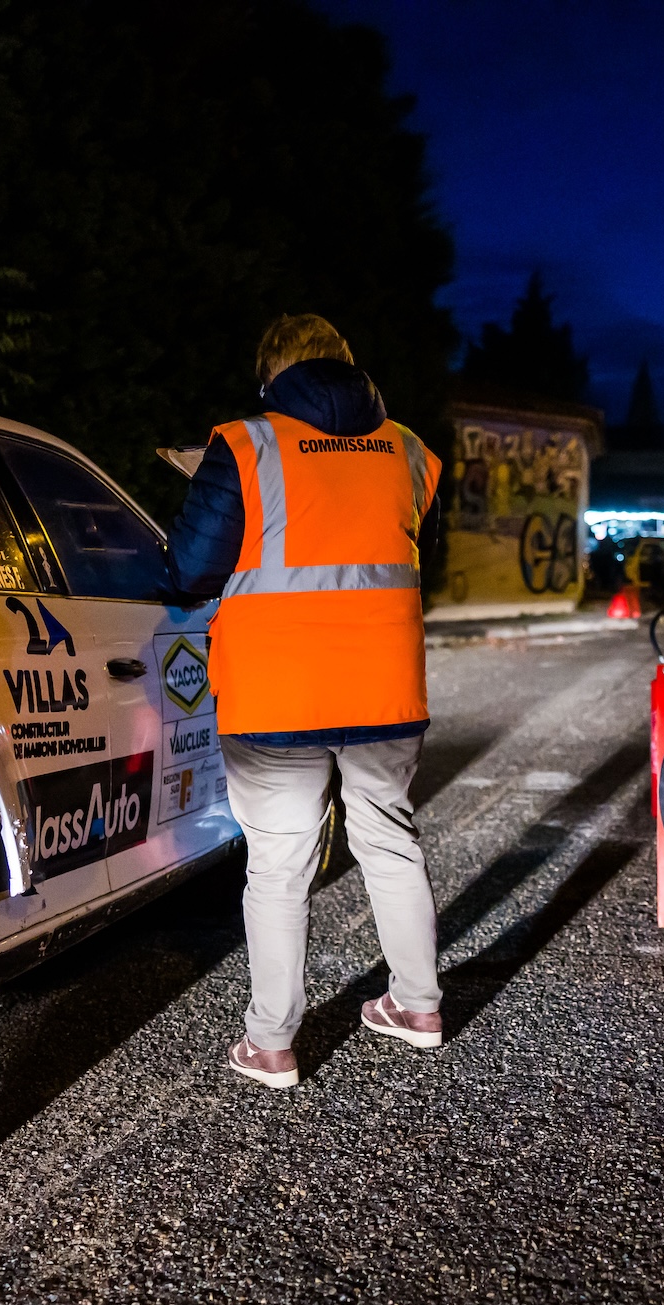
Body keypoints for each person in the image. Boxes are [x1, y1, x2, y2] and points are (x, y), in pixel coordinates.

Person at [167, 314, 443, 1089]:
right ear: (348, 366)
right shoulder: (409, 449)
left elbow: (190, 569)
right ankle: (418, 1005)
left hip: (277, 693)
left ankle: (272, 1043)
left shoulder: (246, 444)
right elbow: (406, 548)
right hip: (385, 686)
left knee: (280, 867)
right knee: (389, 840)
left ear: (271, 378)